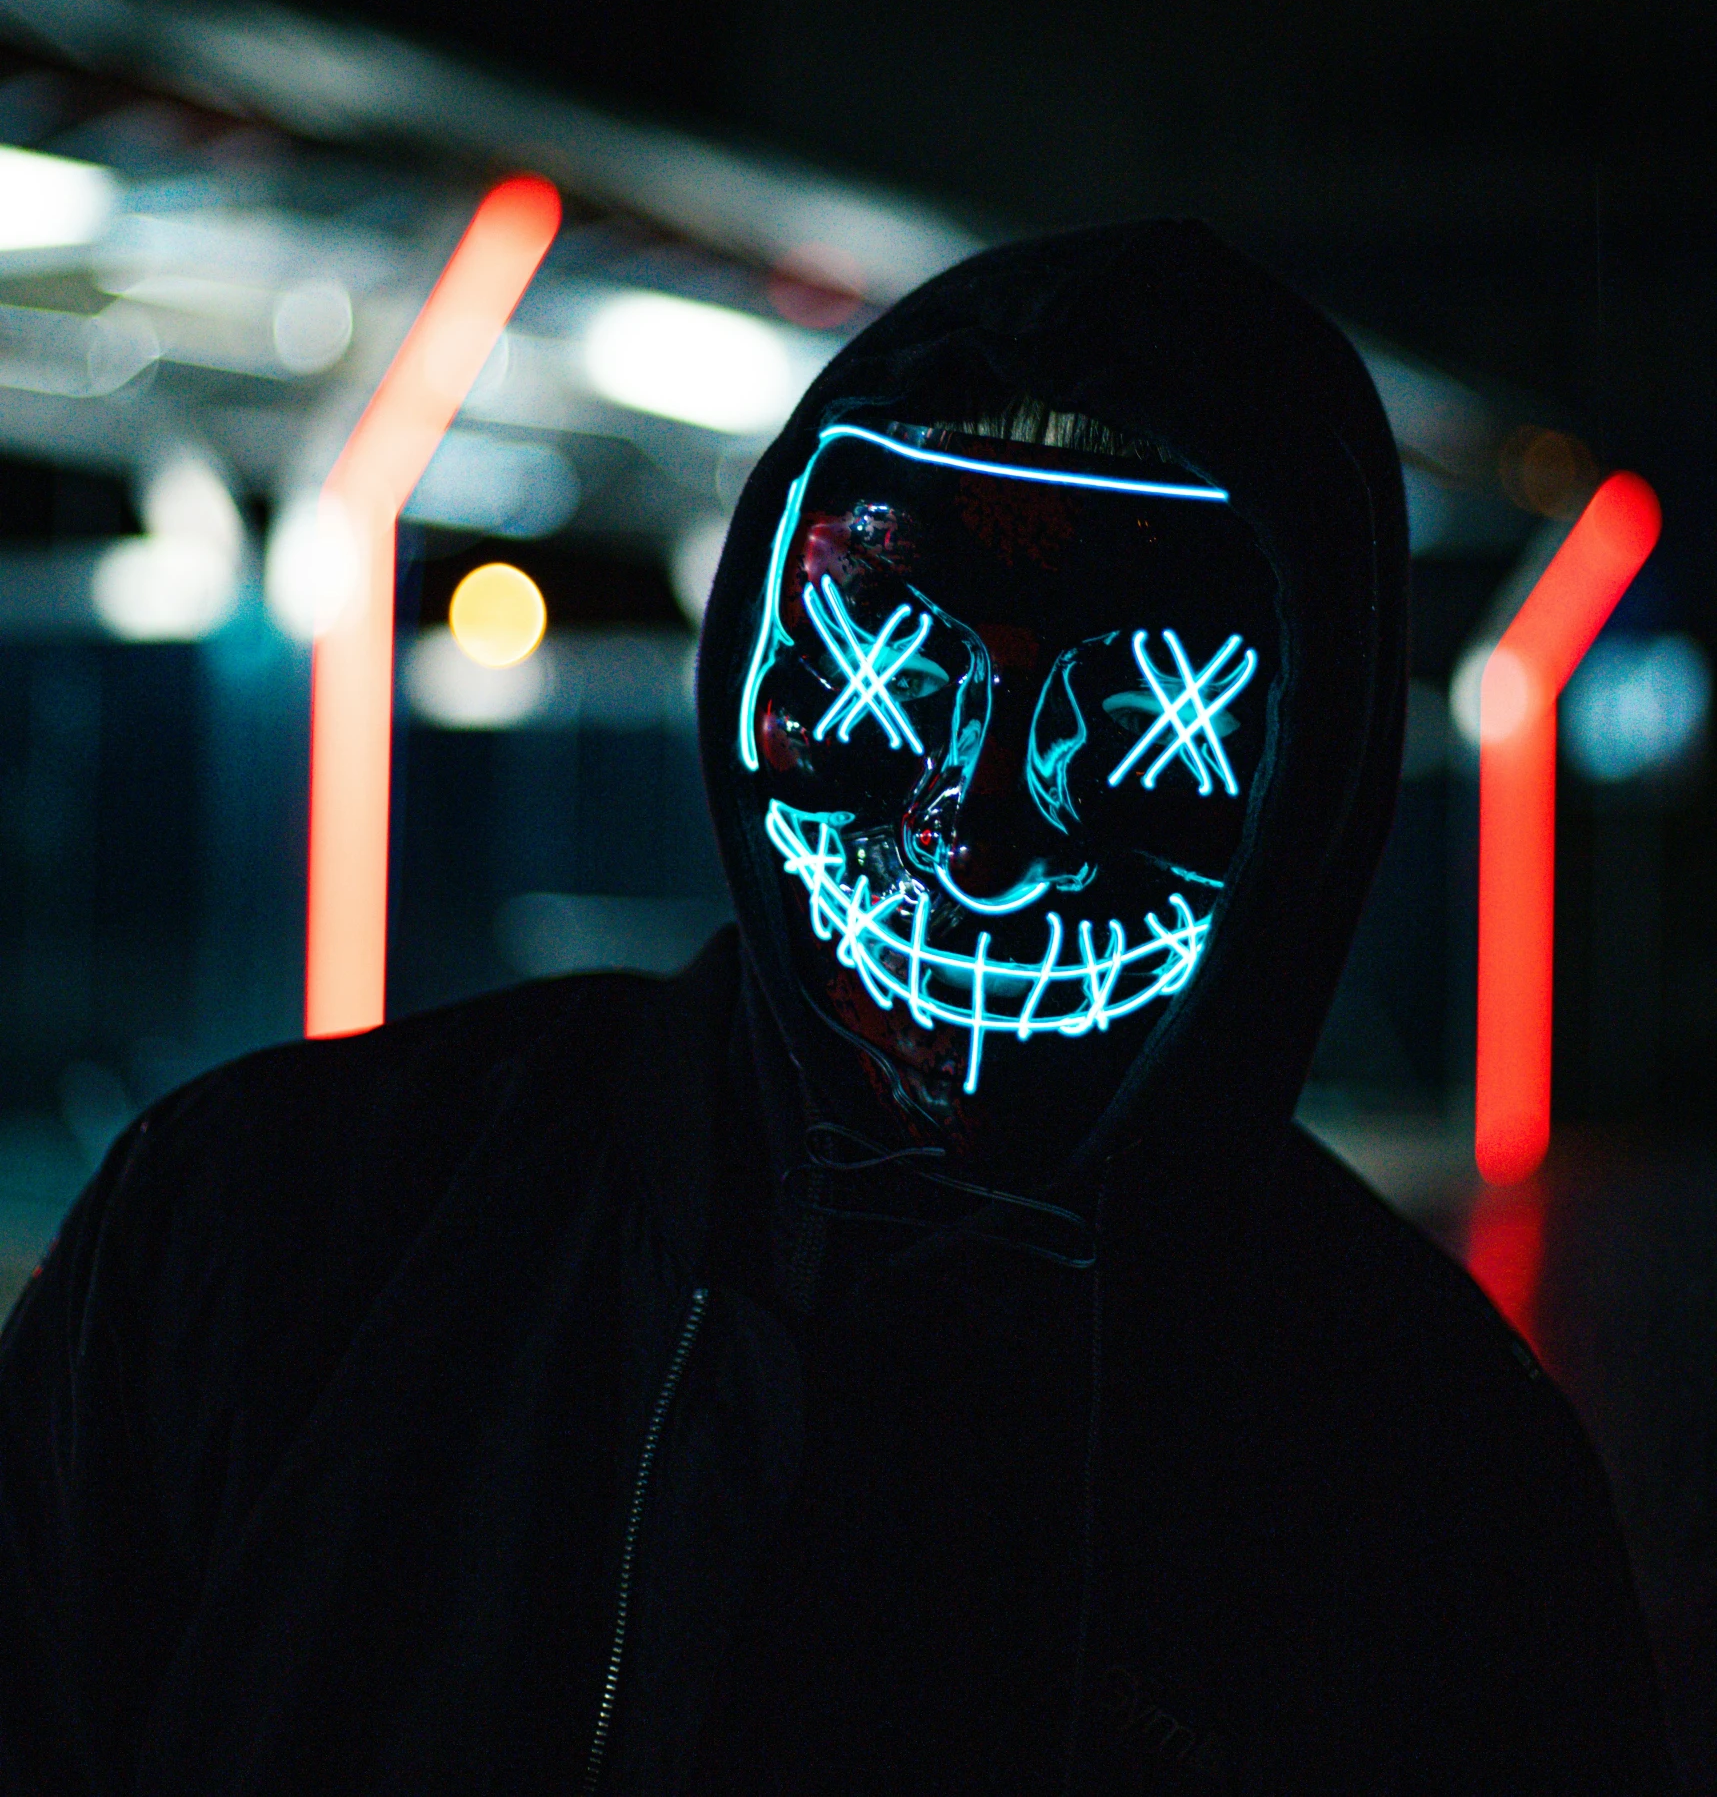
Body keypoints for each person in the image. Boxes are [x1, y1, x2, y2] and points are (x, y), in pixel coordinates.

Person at [0, 222, 1669, 1794]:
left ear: (1309, 792)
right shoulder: (262, 1242)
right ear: (749, 668)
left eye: (1150, 714)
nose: (989, 835)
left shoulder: (1433, 1486)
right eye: (897, 671)